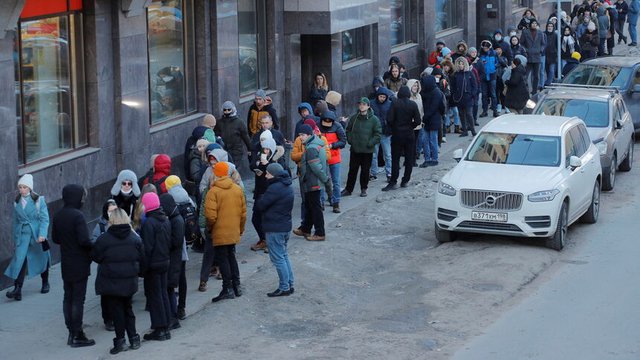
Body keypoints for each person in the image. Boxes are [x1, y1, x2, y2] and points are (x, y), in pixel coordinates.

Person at [91, 208, 144, 354]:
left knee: (117, 311)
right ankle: (134, 338)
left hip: (111, 281)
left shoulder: (104, 239)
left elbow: (96, 256)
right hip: (129, 282)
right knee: (128, 309)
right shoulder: (135, 239)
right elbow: (142, 258)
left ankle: (120, 342)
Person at [51, 184, 95, 347]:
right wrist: (93, 246)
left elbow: (55, 238)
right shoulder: (78, 216)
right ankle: (78, 334)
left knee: (68, 297)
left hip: (66, 261)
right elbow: (84, 240)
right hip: (79, 262)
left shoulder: (59, 215)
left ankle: (71, 332)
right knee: (78, 299)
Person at [4, 174, 51, 302]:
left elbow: (44, 219)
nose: (22, 189)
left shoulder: (38, 200)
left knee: (42, 258)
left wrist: (42, 234)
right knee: (19, 260)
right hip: (23, 235)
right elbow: (15, 221)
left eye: (24, 187)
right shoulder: (17, 202)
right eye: (20, 187)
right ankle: (17, 289)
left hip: (36, 235)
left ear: (30, 188)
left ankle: (45, 282)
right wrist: (16, 238)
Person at [205, 162, 247, 303]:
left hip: (219, 231)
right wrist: (240, 229)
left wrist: (210, 228)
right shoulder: (237, 189)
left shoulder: (213, 191)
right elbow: (243, 214)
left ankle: (227, 288)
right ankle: (237, 286)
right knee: (231, 257)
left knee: (223, 259)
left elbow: (210, 216)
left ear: (216, 173)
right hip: (233, 230)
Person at [255, 163, 295, 297]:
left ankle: (284, 287)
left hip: (275, 228)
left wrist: (261, 195)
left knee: (278, 258)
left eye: (268, 174)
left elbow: (261, 205)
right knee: (283, 256)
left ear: (273, 175)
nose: (266, 176)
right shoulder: (287, 185)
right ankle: (289, 283)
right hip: (284, 226)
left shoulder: (275, 188)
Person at [139, 192, 173, 341]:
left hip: (153, 265)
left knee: (155, 296)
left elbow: (147, 248)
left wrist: (142, 268)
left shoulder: (149, 223)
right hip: (165, 262)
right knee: (163, 293)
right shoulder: (165, 220)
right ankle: (166, 326)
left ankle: (159, 328)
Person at [296, 124, 331, 241]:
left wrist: (325, 179)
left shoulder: (311, 148)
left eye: (303, 135)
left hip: (313, 182)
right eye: (299, 135)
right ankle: (305, 228)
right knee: (310, 206)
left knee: (315, 208)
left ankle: (320, 233)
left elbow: (316, 167)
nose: (300, 137)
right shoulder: (315, 143)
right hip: (312, 181)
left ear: (309, 135)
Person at [383, 85, 421, 191]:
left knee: (396, 159)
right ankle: (405, 180)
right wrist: (410, 126)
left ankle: (393, 181)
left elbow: (389, 119)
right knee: (409, 158)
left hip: (397, 134)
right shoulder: (413, 104)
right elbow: (418, 121)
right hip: (409, 134)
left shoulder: (395, 103)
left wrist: (395, 126)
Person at [341, 98, 381, 198]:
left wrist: (370, 143)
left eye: (364, 104)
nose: (361, 106)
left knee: (365, 170)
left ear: (368, 106)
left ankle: (364, 189)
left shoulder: (374, 120)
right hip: (355, 149)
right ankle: (348, 189)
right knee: (352, 170)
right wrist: (351, 141)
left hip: (367, 150)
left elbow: (378, 134)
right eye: (360, 104)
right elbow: (348, 130)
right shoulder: (354, 118)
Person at [91, 198, 118, 331]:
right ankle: (108, 319)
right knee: (106, 293)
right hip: (105, 265)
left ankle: (116, 317)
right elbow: (94, 243)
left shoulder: (122, 223)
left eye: (115, 211)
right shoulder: (100, 226)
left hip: (118, 264)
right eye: (110, 211)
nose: (113, 213)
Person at [318, 111, 346, 213]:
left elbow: (343, 142)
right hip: (322, 158)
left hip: (334, 158)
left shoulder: (337, 127)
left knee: (336, 182)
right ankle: (321, 202)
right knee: (322, 181)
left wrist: (332, 145)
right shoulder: (318, 127)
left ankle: (336, 202)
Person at [216, 101, 252, 176]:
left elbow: (245, 136)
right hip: (223, 149)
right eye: (225, 110)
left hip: (236, 150)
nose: (227, 112)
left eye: (229, 110)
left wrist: (250, 149)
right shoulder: (219, 122)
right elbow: (216, 135)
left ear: (233, 109)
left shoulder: (239, 122)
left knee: (234, 170)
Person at [420, 75, 446, 168]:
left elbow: (433, 108)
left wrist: (424, 117)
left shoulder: (436, 93)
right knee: (425, 140)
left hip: (433, 119)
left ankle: (434, 158)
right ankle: (427, 159)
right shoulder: (426, 92)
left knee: (432, 140)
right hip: (429, 119)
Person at [369, 86, 394, 182]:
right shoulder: (372, 104)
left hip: (385, 132)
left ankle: (389, 172)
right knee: (374, 154)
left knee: (387, 154)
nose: (382, 98)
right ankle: (373, 173)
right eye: (380, 97)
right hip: (375, 133)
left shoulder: (390, 104)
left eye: (384, 97)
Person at [451, 57, 478, 137]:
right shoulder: (455, 75)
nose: (460, 65)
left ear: (465, 64)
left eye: (462, 64)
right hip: (459, 98)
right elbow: (453, 86)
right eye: (459, 64)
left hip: (468, 97)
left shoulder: (469, 73)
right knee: (461, 114)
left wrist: (472, 94)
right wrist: (454, 95)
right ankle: (465, 130)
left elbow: (474, 85)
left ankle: (473, 130)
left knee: (469, 114)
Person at [520, 19, 547, 95]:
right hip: (528, 56)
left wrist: (540, 50)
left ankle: (534, 90)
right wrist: (525, 50)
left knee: (536, 75)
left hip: (537, 56)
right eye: (533, 23)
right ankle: (525, 90)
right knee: (526, 75)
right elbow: (521, 43)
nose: (534, 25)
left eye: (535, 23)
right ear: (530, 24)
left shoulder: (540, 33)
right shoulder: (525, 32)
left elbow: (543, 44)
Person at [479, 40, 499, 118]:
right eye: (484, 48)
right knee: (484, 95)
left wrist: (494, 67)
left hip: (492, 75)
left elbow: (498, 62)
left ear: (489, 48)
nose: (485, 49)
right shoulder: (480, 54)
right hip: (483, 77)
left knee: (493, 94)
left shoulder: (494, 53)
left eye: (487, 48)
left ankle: (495, 111)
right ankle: (485, 111)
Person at [544, 21, 559, 86]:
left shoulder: (555, 35)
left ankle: (548, 84)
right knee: (547, 71)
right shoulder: (544, 34)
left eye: (551, 26)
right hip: (545, 55)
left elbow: (557, 45)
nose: (550, 28)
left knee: (552, 70)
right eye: (549, 26)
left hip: (553, 55)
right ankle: (551, 83)